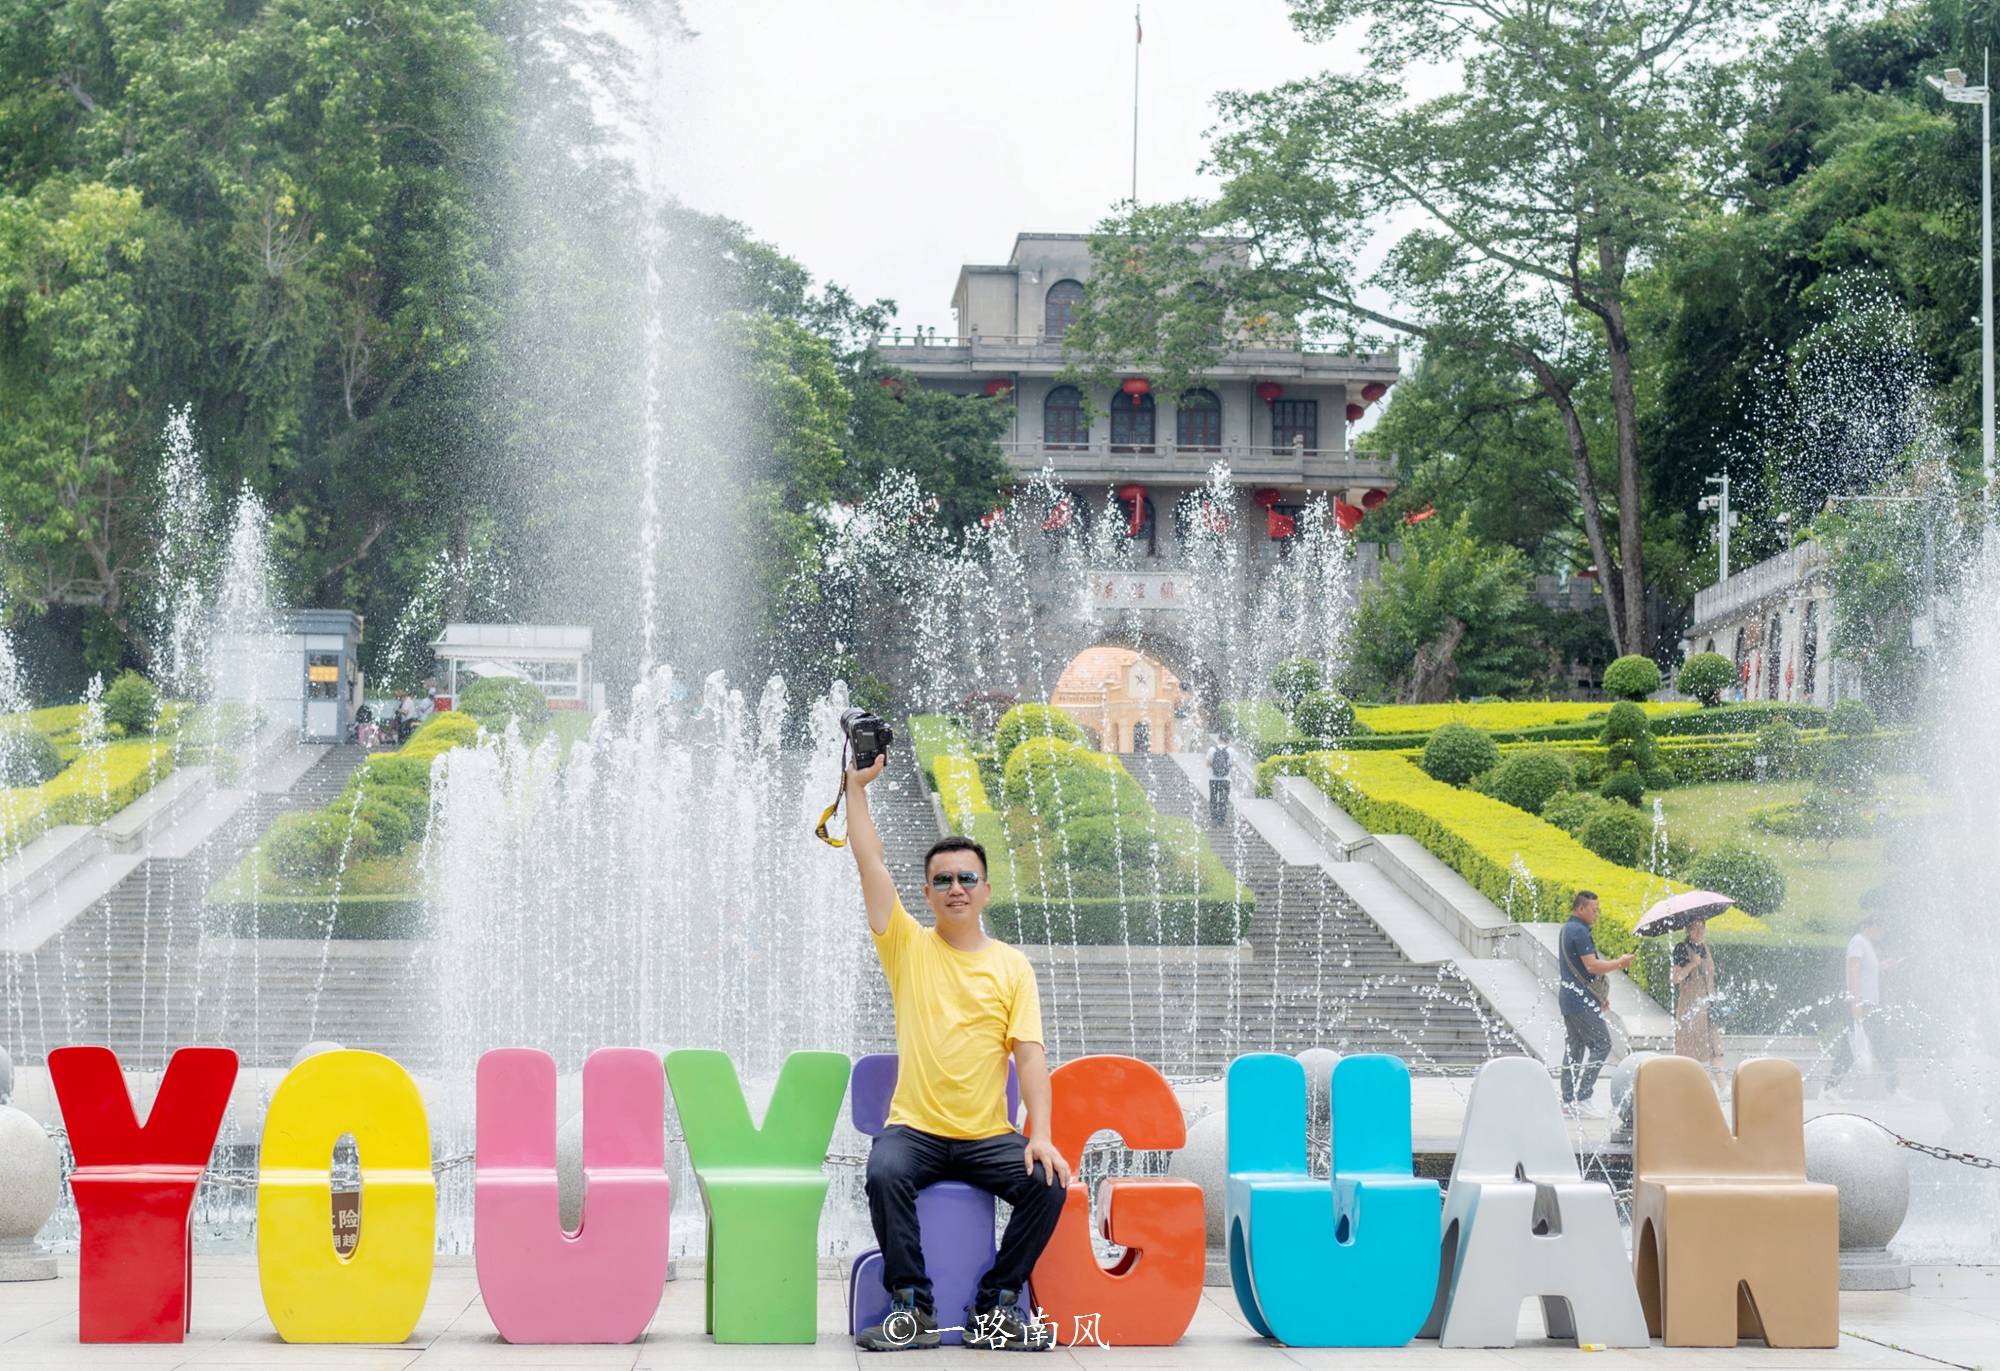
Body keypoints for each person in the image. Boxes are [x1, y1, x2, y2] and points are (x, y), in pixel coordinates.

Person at [843, 750, 1067, 1353]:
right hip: (913, 1129)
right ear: (928, 891)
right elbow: (870, 862)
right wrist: (854, 789)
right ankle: (912, 1308)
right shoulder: (908, 947)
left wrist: (1039, 1132)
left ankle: (995, 1309)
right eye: (942, 879)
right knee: (883, 1171)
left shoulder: (1012, 967)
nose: (955, 888)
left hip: (985, 1136)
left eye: (966, 878)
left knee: (1047, 1184)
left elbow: (1030, 1056)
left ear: (986, 889)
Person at [1558, 889, 1633, 1118]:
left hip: (1571, 998)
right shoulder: (1579, 932)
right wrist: (1619, 963)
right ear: (1580, 908)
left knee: (1575, 1048)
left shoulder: (1567, 929)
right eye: (1593, 910)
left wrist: (1599, 996)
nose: (1597, 914)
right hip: (1579, 1000)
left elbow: (1583, 970)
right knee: (1602, 1044)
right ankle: (1583, 1097)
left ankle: (1568, 1100)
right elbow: (1591, 966)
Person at [1825, 915, 1896, 1098]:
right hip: (1860, 1004)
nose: (1883, 933)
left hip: (1868, 1004)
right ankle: (1830, 1088)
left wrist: (1881, 967)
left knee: (1880, 1044)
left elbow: (1866, 970)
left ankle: (1893, 1088)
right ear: (1869, 927)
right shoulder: (1858, 942)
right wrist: (1856, 1002)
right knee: (1850, 1047)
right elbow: (1853, 972)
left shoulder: (1866, 944)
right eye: (1881, 928)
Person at [1670, 917, 1725, 1087]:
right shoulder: (1681, 948)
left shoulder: (1705, 948)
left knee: (1716, 1049)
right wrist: (1692, 964)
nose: (1700, 932)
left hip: (1709, 1007)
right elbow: (1675, 979)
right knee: (1689, 1051)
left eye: (1702, 928)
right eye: (1695, 929)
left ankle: (1724, 1087)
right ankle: (1687, 1086)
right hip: (1690, 1008)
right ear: (1688, 930)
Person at [1207, 735, 1234, 826]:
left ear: (1218, 740)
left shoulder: (1212, 750)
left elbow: (1207, 763)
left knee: (1213, 798)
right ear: (1228, 741)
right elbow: (1233, 763)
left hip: (1213, 779)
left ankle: (1214, 818)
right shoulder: (1231, 751)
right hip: (1226, 780)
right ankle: (1221, 820)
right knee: (1224, 799)